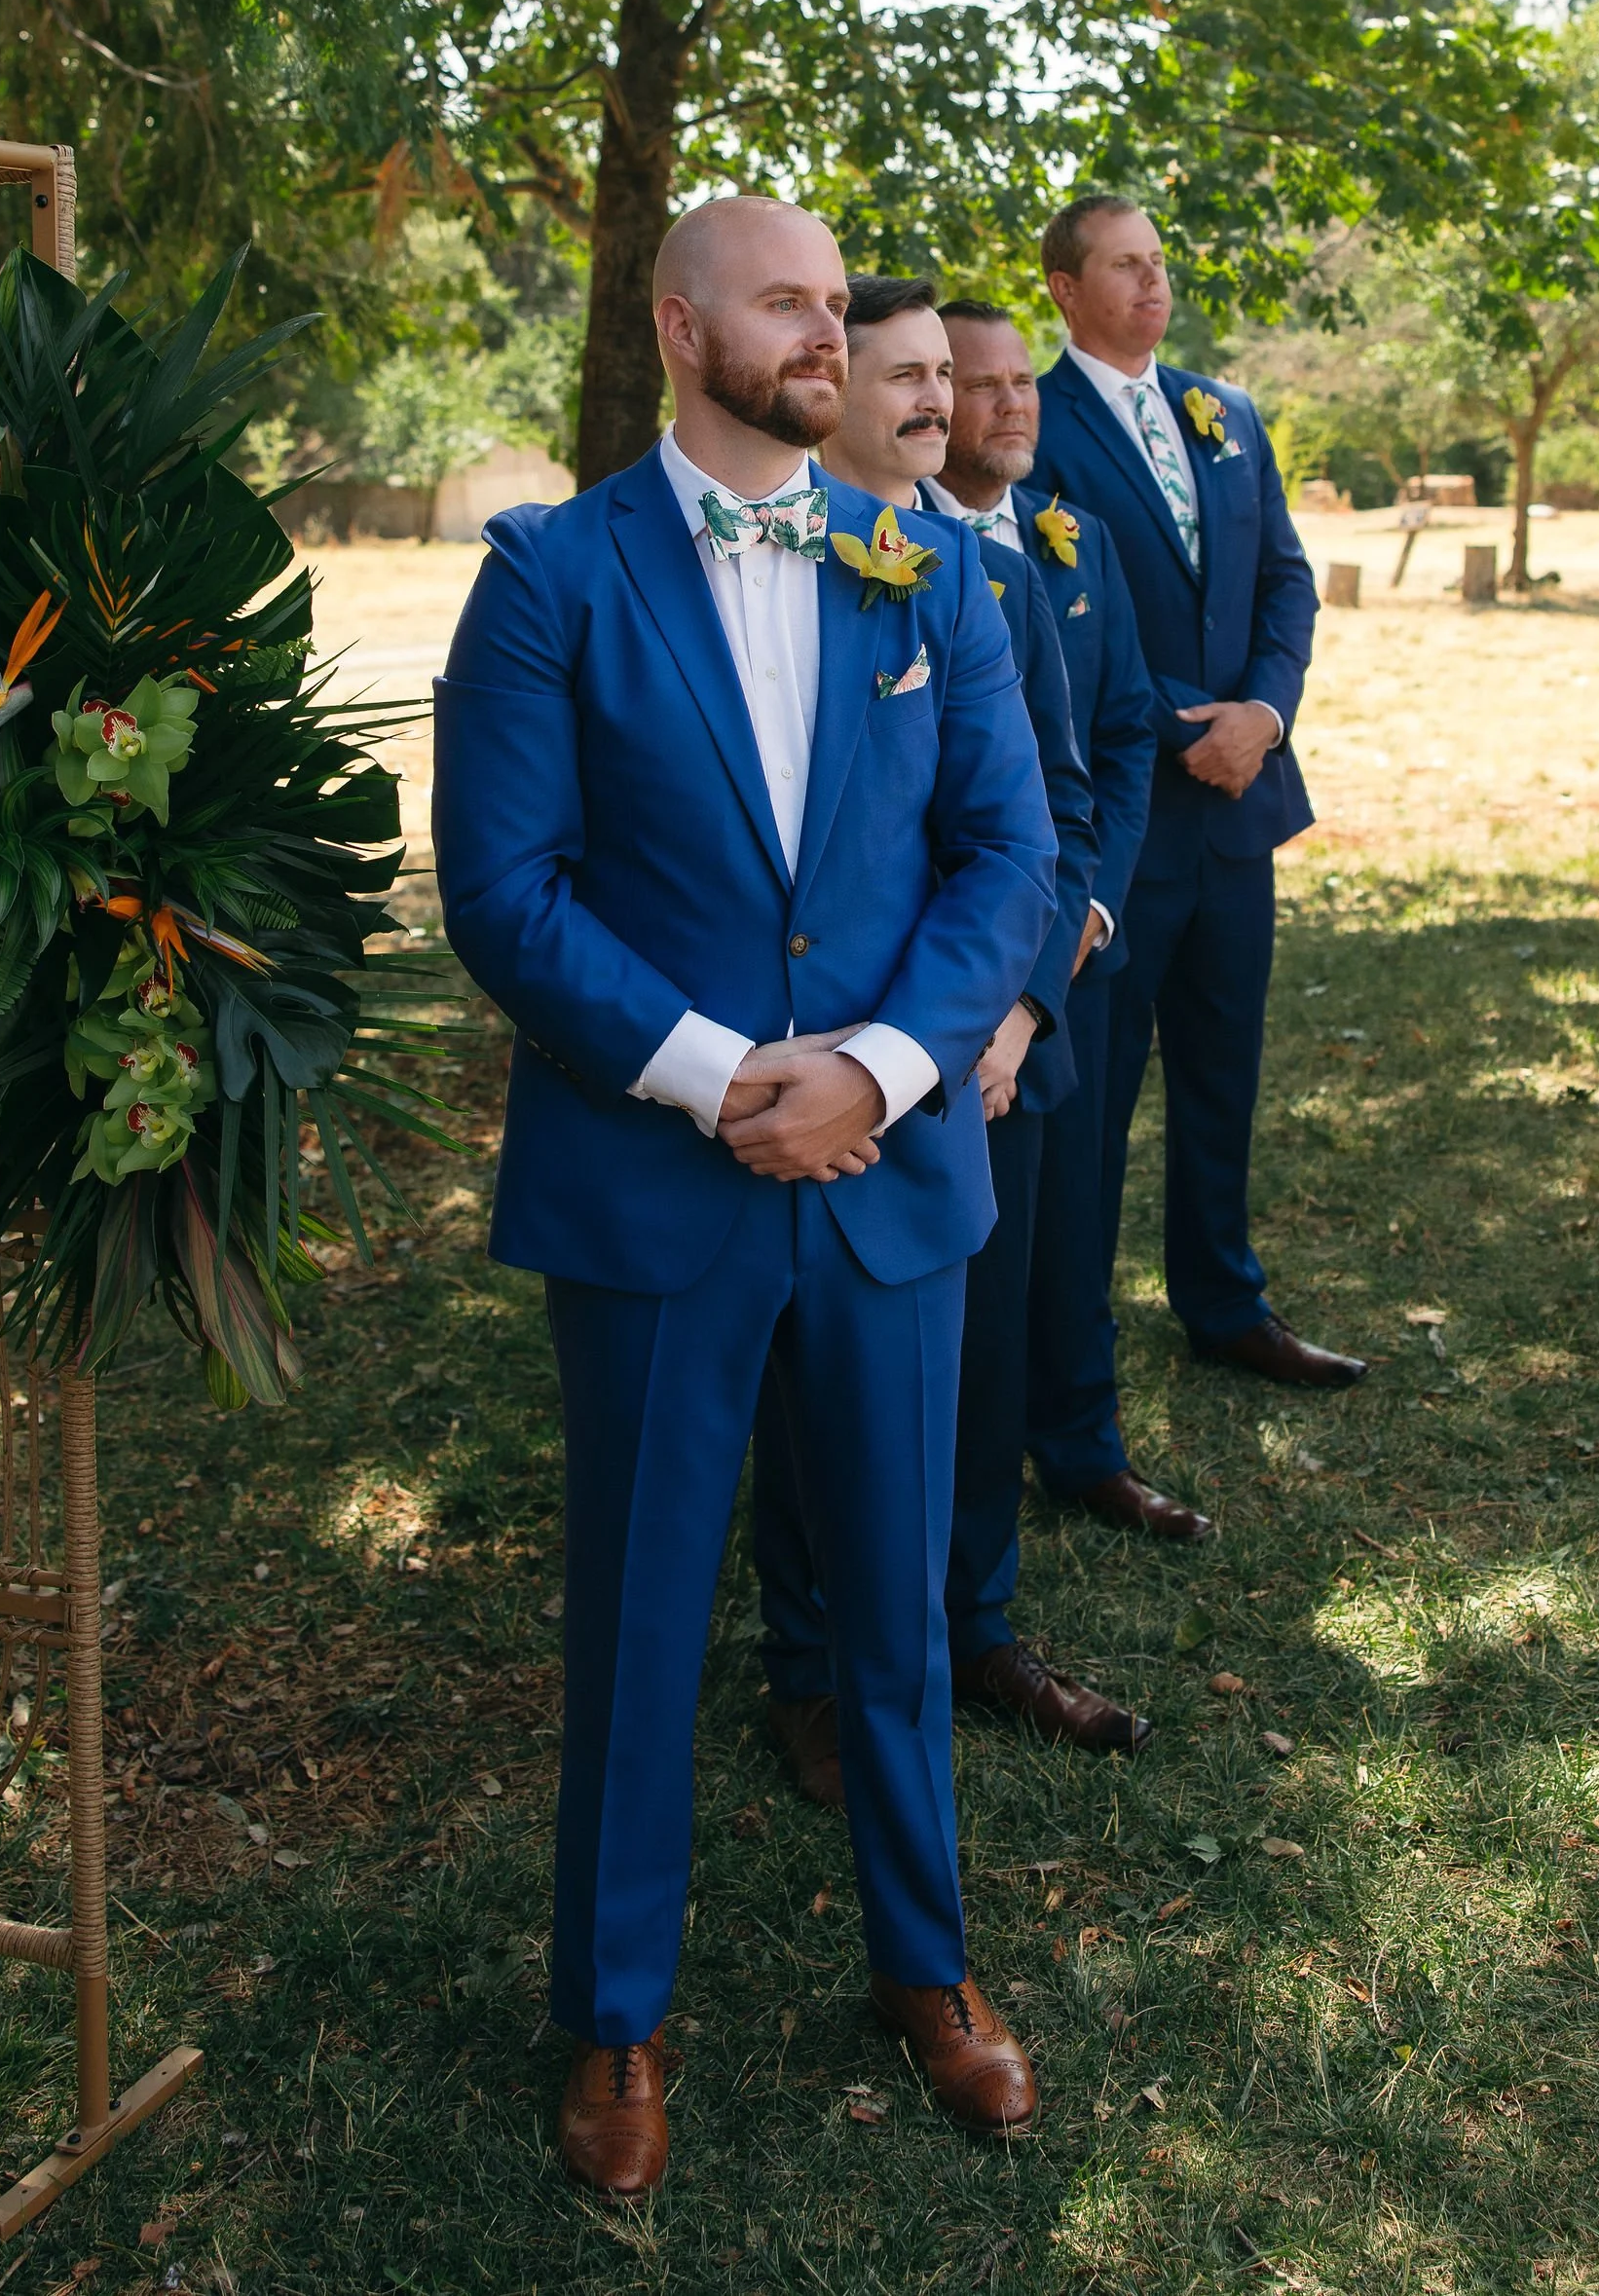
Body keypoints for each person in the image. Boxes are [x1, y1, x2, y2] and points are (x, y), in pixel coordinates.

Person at [432, 197, 1058, 2203]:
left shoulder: (921, 569)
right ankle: (614, 2010)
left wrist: (872, 1066)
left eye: (835, 299)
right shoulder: (548, 574)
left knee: (893, 1600)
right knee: (634, 1614)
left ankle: (928, 1962)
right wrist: (721, 1079)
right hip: (653, 1184)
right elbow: (504, 892)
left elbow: (1006, 853)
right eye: (789, 301)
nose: (836, 330)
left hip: (888, 1175)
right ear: (680, 326)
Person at [754, 276, 1154, 1788]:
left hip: (997, 1055)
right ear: (824, 385)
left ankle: (976, 1625)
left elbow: (1053, 807)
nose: (937, 402)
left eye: (947, 377)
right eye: (907, 376)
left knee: (984, 1356)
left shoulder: (982, 570)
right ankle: (811, 1662)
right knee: (810, 1374)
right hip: (829, 1056)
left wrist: (1020, 1007)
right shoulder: (783, 568)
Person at [1033, 194, 1365, 1389]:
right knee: (1092, 1109)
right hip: (1120, 829)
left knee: (1221, 1078)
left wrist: (1263, 719)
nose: (1151, 285)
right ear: (1064, 290)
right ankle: (1067, 1349)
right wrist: (1194, 726)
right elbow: (1058, 618)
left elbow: (1285, 581)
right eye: (1123, 267)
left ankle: (1224, 1304)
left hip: (1238, 815)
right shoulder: (1034, 419)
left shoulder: (1224, 414)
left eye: (1158, 265)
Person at [928, 298, 1210, 1541]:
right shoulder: (887, 547)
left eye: (1015, 384)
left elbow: (1120, 740)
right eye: (976, 385)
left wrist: (1090, 908)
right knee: (971, 1253)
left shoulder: (1077, 539)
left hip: (1070, 956)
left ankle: (1082, 1442)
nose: (1007, 404)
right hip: (943, 978)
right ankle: (943, 1483)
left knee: (1077, 1213)